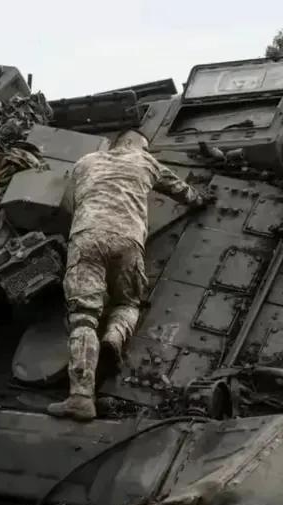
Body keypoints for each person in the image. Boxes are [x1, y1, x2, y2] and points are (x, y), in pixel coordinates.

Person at [48, 130, 213, 421]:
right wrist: (199, 200)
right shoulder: (146, 162)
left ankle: (81, 397)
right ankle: (114, 336)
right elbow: (181, 190)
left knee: (83, 315)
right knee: (128, 302)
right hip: (128, 241)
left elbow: (72, 203)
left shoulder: (85, 162)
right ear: (132, 144)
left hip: (87, 236)